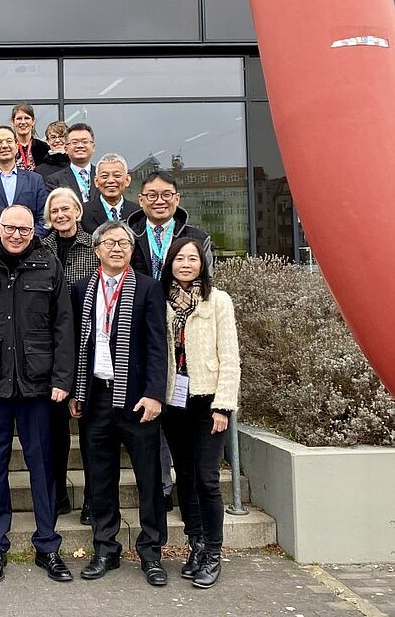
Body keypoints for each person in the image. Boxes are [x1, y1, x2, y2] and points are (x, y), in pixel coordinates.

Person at [0, 205, 75, 585]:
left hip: (37, 385)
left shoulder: (49, 265)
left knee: (42, 466)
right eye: (10, 228)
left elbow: (64, 326)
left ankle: (48, 545)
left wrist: (62, 378)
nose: (17, 235)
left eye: (24, 230)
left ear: (33, 231)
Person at [68, 221, 169, 585]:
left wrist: (155, 393)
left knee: (148, 479)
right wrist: (76, 391)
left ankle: (151, 552)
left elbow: (158, 345)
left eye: (123, 243)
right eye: (109, 242)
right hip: (95, 396)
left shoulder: (148, 288)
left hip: (137, 399)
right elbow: (74, 344)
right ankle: (105, 549)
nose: (116, 248)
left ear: (131, 249)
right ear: (96, 250)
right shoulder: (81, 289)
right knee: (99, 478)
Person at [160, 236, 240, 589]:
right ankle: (196, 544)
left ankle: (213, 552)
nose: (186, 264)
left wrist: (223, 405)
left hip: (208, 402)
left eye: (192, 259)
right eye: (180, 259)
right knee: (186, 476)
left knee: (207, 478)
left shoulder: (217, 300)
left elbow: (230, 357)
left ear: (202, 263)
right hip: (174, 402)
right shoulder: (161, 300)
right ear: (170, 263)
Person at [39, 187, 100, 519]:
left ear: (77, 211)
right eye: (55, 211)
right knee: (54, 432)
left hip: (88, 345)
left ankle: (92, 499)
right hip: (51, 350)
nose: (61, 215)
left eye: (66, 209)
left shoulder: (94, 246)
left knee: (90, 431)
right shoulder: (39, 248)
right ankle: (58, 494)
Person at [127, 170, 214, 280]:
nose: (159, 201)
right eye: (152, 195)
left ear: (177, 199)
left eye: (167, 195)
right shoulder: (126, 237)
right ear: (141, 200)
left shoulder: (199, 239)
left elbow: (206, 280)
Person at [0, 125, 49, 232]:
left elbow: (44, 219)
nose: (4, 146)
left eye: (9, 141)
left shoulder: (35, 180)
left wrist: (28, 238)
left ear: (16, 146)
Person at [82, 153, 140, 234]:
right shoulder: (84, 212)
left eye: (117, 176)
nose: (110, 181)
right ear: (96, 181)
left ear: (127, 180)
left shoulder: (138, 213)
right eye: (105, 176)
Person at [45, 123, 98, 205]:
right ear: (66, 148)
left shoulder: (102, 175)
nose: (80, 146)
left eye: (85, 142)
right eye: (75, 142)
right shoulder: (54, 180)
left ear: (93, 147)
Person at [11, 103, 49, 172]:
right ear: (13, 122)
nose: (23, 122)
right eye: (19, 118)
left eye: (27, 118)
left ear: (33, 121)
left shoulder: (44, 148)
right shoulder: (9, 148)